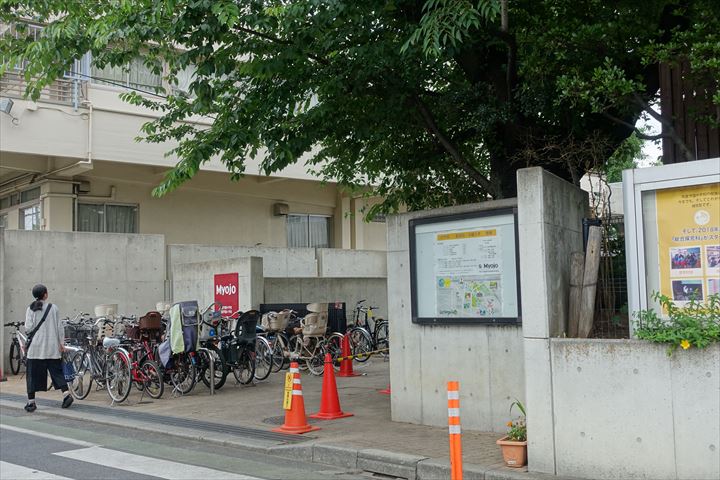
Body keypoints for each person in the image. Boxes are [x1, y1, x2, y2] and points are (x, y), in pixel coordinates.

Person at [24, 284, 73, 412]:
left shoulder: (30, 309)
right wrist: (61, 343)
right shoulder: (53, 308)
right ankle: (66, 395)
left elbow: (28, 328)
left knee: (32, 375)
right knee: (57, 372)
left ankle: (31, 402)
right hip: (51, 348)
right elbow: (59, 327)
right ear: (45, 294)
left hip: (35, 349)